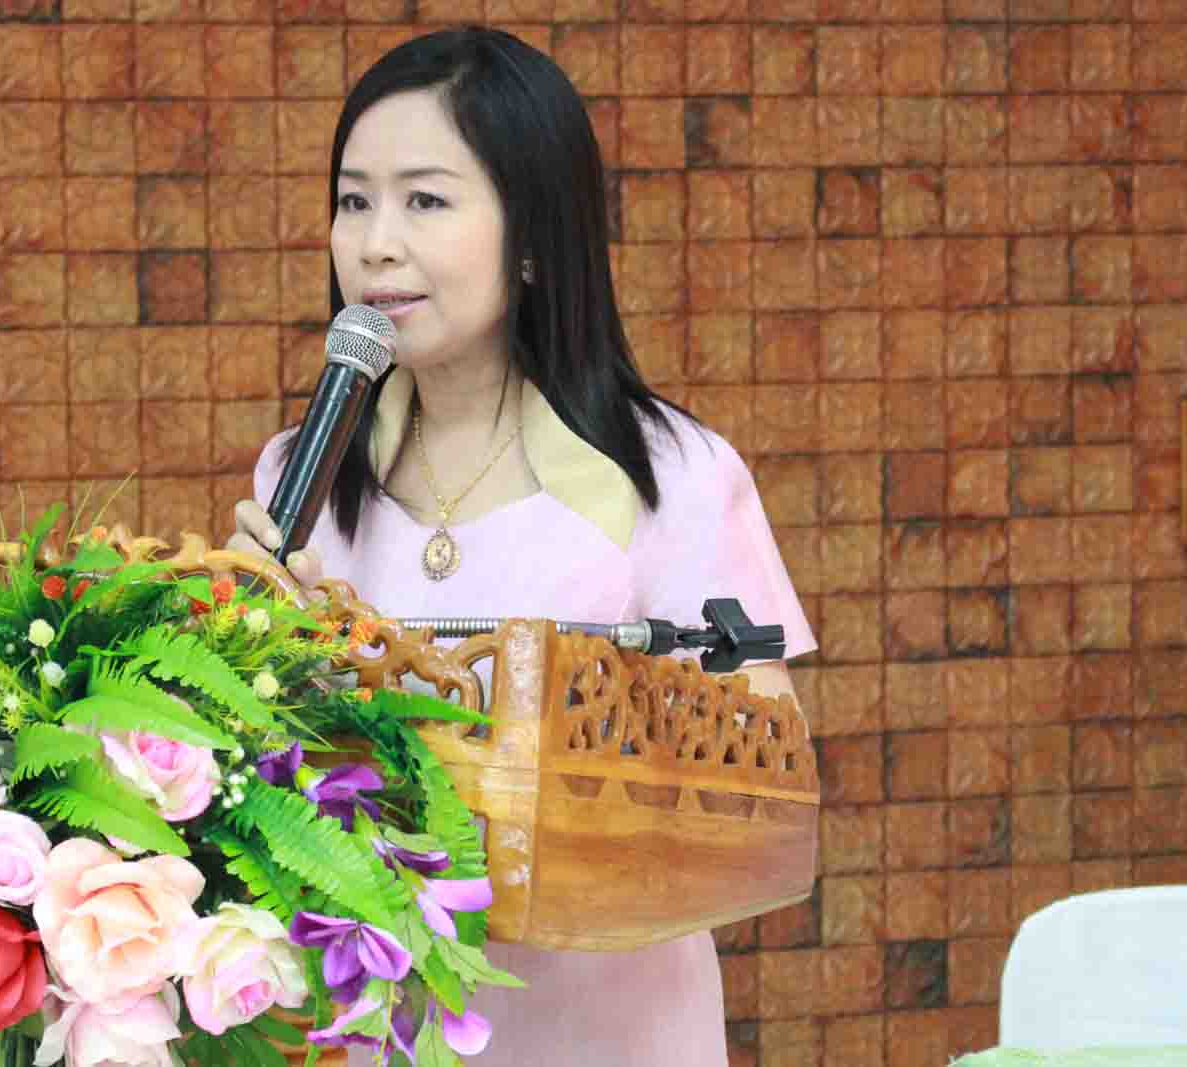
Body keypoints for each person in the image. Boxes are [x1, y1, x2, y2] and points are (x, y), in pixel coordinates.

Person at [228, 26, 816, 1066]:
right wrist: (241, 649)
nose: (375, 243)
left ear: (535, 239)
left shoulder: (670, 474)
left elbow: (755, 795)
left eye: (425, 200)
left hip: (605, 1037)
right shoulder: (297, 476)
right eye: (354, 201)